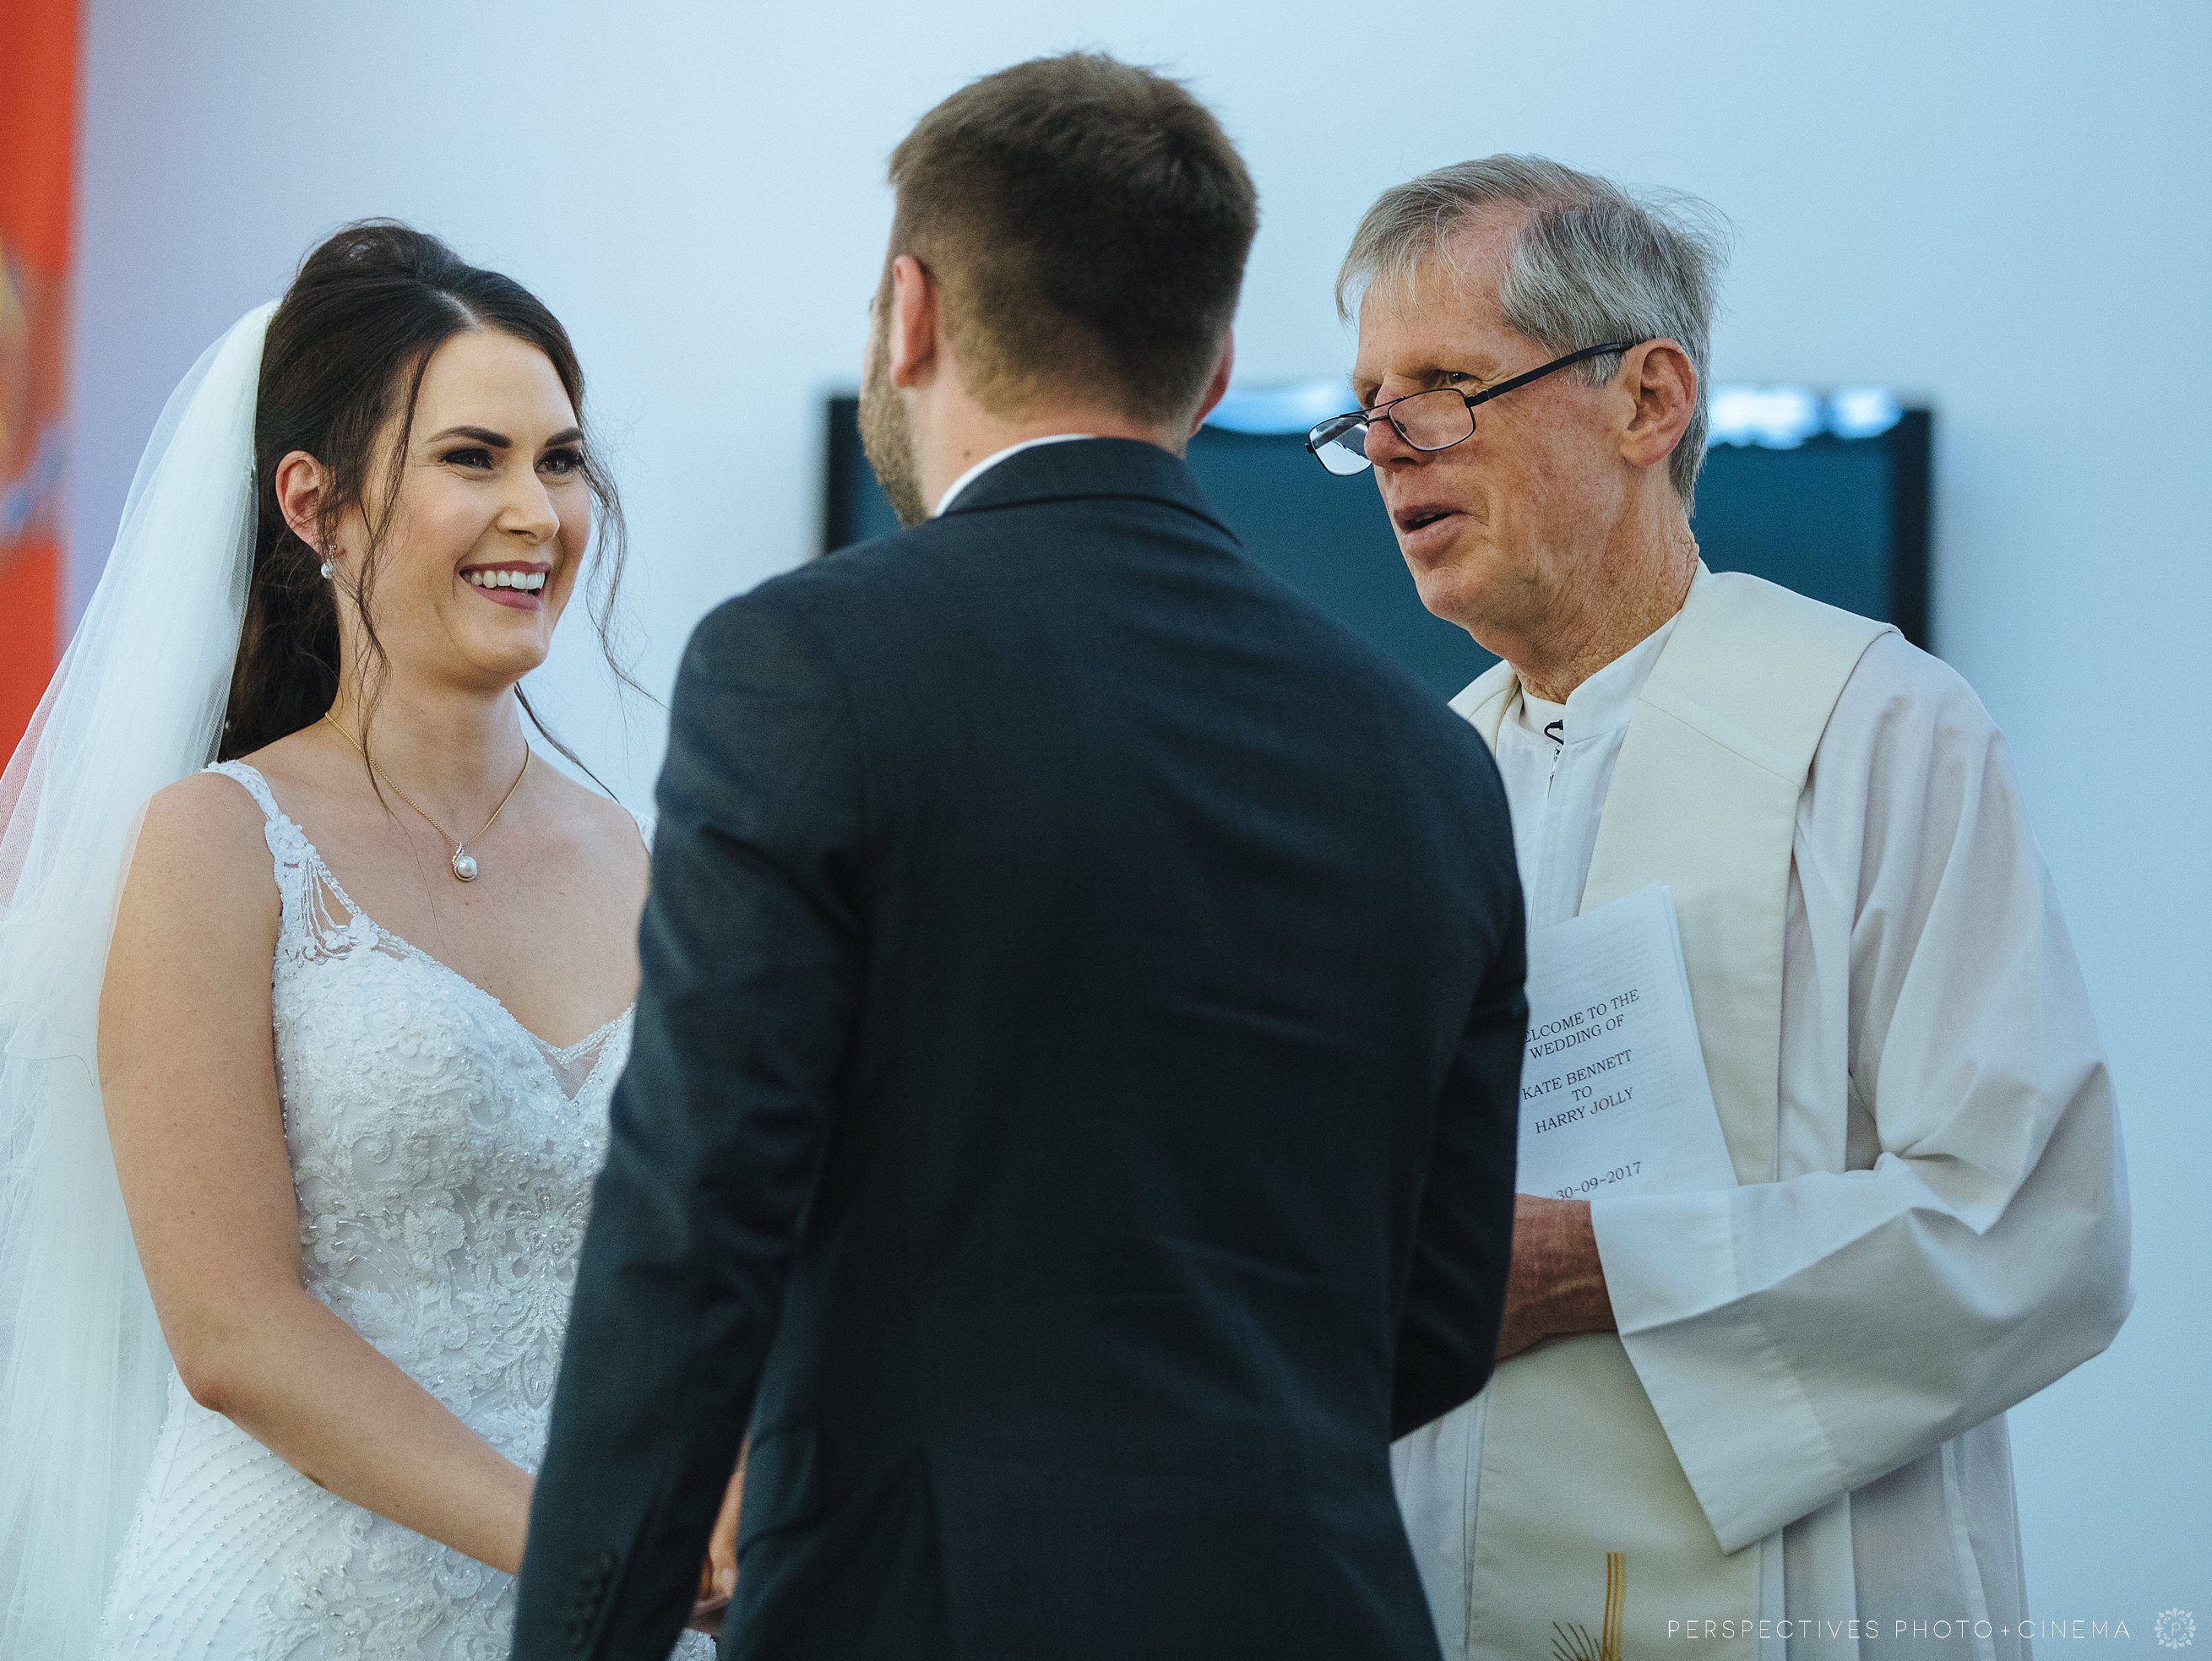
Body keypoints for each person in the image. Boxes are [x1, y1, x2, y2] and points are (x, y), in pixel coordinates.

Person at [513, 53, 1525, 1661]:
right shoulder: (1430, 764)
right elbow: (1442, 1318)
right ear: (1209, 378)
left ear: (909, 313)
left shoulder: (806, 668)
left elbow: (692, 1237)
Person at [1313, 155, 2131, 1661]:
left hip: (1804, 1592)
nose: (1385, 446)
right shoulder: (1418, 784)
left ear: (1646, 400)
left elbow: (2031, 1224)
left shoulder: (1871, 728)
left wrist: (1595, 1268)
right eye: (1365, 405)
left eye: (1440, 384)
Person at [0, 224, 720, 1658]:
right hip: (303, 1604)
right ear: (316, 506)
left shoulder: (634, 855)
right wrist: (582, 1544)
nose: (537, 510)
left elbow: (699, 1256)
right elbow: (231, 1332)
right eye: (474, 459)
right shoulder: (217, 844)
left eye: (561, 459)